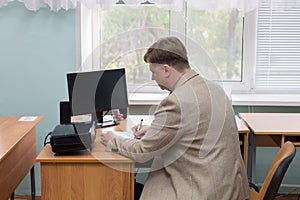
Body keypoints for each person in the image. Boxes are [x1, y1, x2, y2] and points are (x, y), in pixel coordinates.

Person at [100, 36, 249, 200]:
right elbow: (199, 129)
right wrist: (154, 131)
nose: (152, 78)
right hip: (229, 188)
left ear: (166, 69)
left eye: (153, 72)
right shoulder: (214, 89)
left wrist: (113, 139)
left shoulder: (175, 102)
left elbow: (142, 152)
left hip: (201, 191)